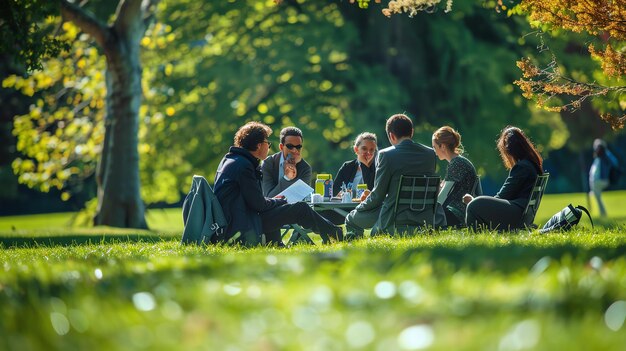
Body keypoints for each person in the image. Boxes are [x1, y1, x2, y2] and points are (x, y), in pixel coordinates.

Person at [214, 122, 342, 246]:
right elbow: (260, 205)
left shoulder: (231, 160)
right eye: (267, 143)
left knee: (282, 207)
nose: (268, 147)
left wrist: (275, 201)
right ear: (258, 145)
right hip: (240, 225)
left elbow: (255, 202)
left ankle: (276, 244)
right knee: (300, 209)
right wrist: (280, 200)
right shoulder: (244, 167)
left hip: (236, 220)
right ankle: (336, 234)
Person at [344, 114, 437, 240]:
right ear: (412, 132)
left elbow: (377, 196)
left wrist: (360, 207)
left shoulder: (386, 155)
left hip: (394, 219)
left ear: (391, 136)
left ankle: (356, 251)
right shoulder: (430, 154)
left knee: (351, 218)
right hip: (423, 218)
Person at [464, 126, 543, 231]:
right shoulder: (531, 164)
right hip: (522, 212)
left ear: (508, 150)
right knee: (476, 204)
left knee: (474, 205)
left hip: (517, 214)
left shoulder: (521, 167)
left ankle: (476, 239)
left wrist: (475, 201)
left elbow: (503, 196)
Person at [432, 126, 478, 227]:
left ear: (443, 146)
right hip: (462, 210)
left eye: (435, 147)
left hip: (458, 213)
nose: (434, 152)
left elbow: (443, 196)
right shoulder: (458, 161)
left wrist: (429, 210)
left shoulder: (456, 163)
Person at [261, 126, 311, 198]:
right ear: (281, 147)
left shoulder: (305, 168)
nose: (294, 150)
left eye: (298, 147)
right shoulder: (268, 163)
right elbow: (269, 197)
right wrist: (287, 178)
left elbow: (299, 197)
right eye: (290, 146)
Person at [333, 132, 378, 196]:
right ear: (356, 150)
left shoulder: (378, 168)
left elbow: (371, 193)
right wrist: (341, 194)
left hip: (369, 206)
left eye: (371, 150)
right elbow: (334, 192)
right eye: (364, 149)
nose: (368, 152)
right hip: (347, 205)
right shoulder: (347, 167)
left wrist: (365, 166)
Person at [589, 138, 618, 217]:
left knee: (596, 196)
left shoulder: (605, 154)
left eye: (597, 147)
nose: (596, 149)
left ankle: (603, 214)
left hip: (601, 180)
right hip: (596, 180)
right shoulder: (598, 156)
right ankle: (602, 213)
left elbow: (614, 162)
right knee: (596, 196)